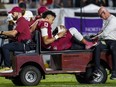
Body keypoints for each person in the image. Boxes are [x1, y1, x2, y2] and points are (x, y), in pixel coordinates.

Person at [0, 6, 32, 73]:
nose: (12, 14)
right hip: (22, 43)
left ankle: (8, 67)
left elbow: (13, 33)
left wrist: (1, 32)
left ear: (18, 13)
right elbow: (15, 35)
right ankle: (3, 66)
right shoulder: (19, 22)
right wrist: (6, 35)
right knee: (3, 47)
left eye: (13, 13)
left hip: (24, 44)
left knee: (5, 47)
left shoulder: (22, 22)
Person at [92, 6, 116, 80]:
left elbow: (105, 33)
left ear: (104, 13)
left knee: (113, 48)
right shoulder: (106, 20)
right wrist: (95, 35)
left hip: (113, 41)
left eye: (100, 15)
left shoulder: (113, 20)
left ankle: (114, 72)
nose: (100, 17)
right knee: (97, 46)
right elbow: (102, 31)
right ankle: (97, 70)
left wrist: (96, 37)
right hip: (106, 41)